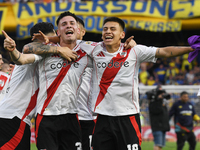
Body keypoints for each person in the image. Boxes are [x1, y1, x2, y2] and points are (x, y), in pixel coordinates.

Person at [88, 17, 195, 150]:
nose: (108, 31)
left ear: (122, 34)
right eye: (105, 29)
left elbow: (165, 51)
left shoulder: (135, 50)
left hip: (127, 115)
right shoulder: (93, 49)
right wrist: (56, 48)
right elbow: (67, 41)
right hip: (102, 116)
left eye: (112, 29)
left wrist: (191, 49)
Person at [1, 22, 75, 150]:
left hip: (9, 116)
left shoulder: (45, 56)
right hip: (15, 117)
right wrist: (59, 48)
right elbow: (22, 56)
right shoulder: (39, 53)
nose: (53, 42)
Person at [147, 85, 170, 150]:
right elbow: (157, 110)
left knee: (160, 146)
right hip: (157, 127)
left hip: (163, 127)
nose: (162, 95)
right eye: (161, 94)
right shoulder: (153, 103)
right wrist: (159, 100)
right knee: (157, 144)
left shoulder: (162, 103)